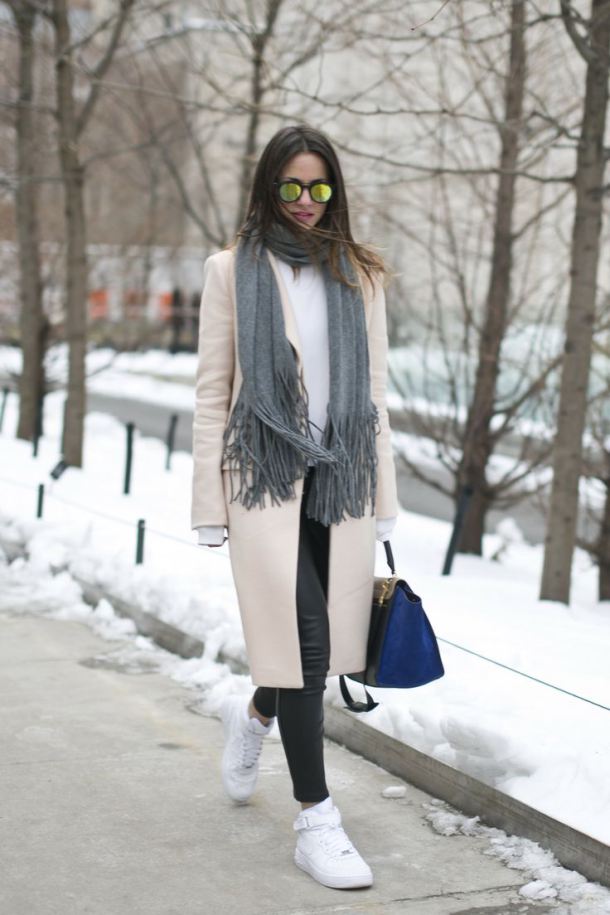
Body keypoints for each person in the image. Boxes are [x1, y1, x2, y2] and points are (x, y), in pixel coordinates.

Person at [191, 125, 398, 890]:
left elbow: (372, 396)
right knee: (308, 638)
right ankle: (316, 818)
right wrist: (207, 501)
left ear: (333, 190)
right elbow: (212, 391)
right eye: (291, 186)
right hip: (261, 478)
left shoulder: (360, 275)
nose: (306, 200)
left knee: (304, 638)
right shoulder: (229, 270)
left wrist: (383, 495)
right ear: (267, 188)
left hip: (339, 480)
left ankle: (253, 717)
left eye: (319, 186)